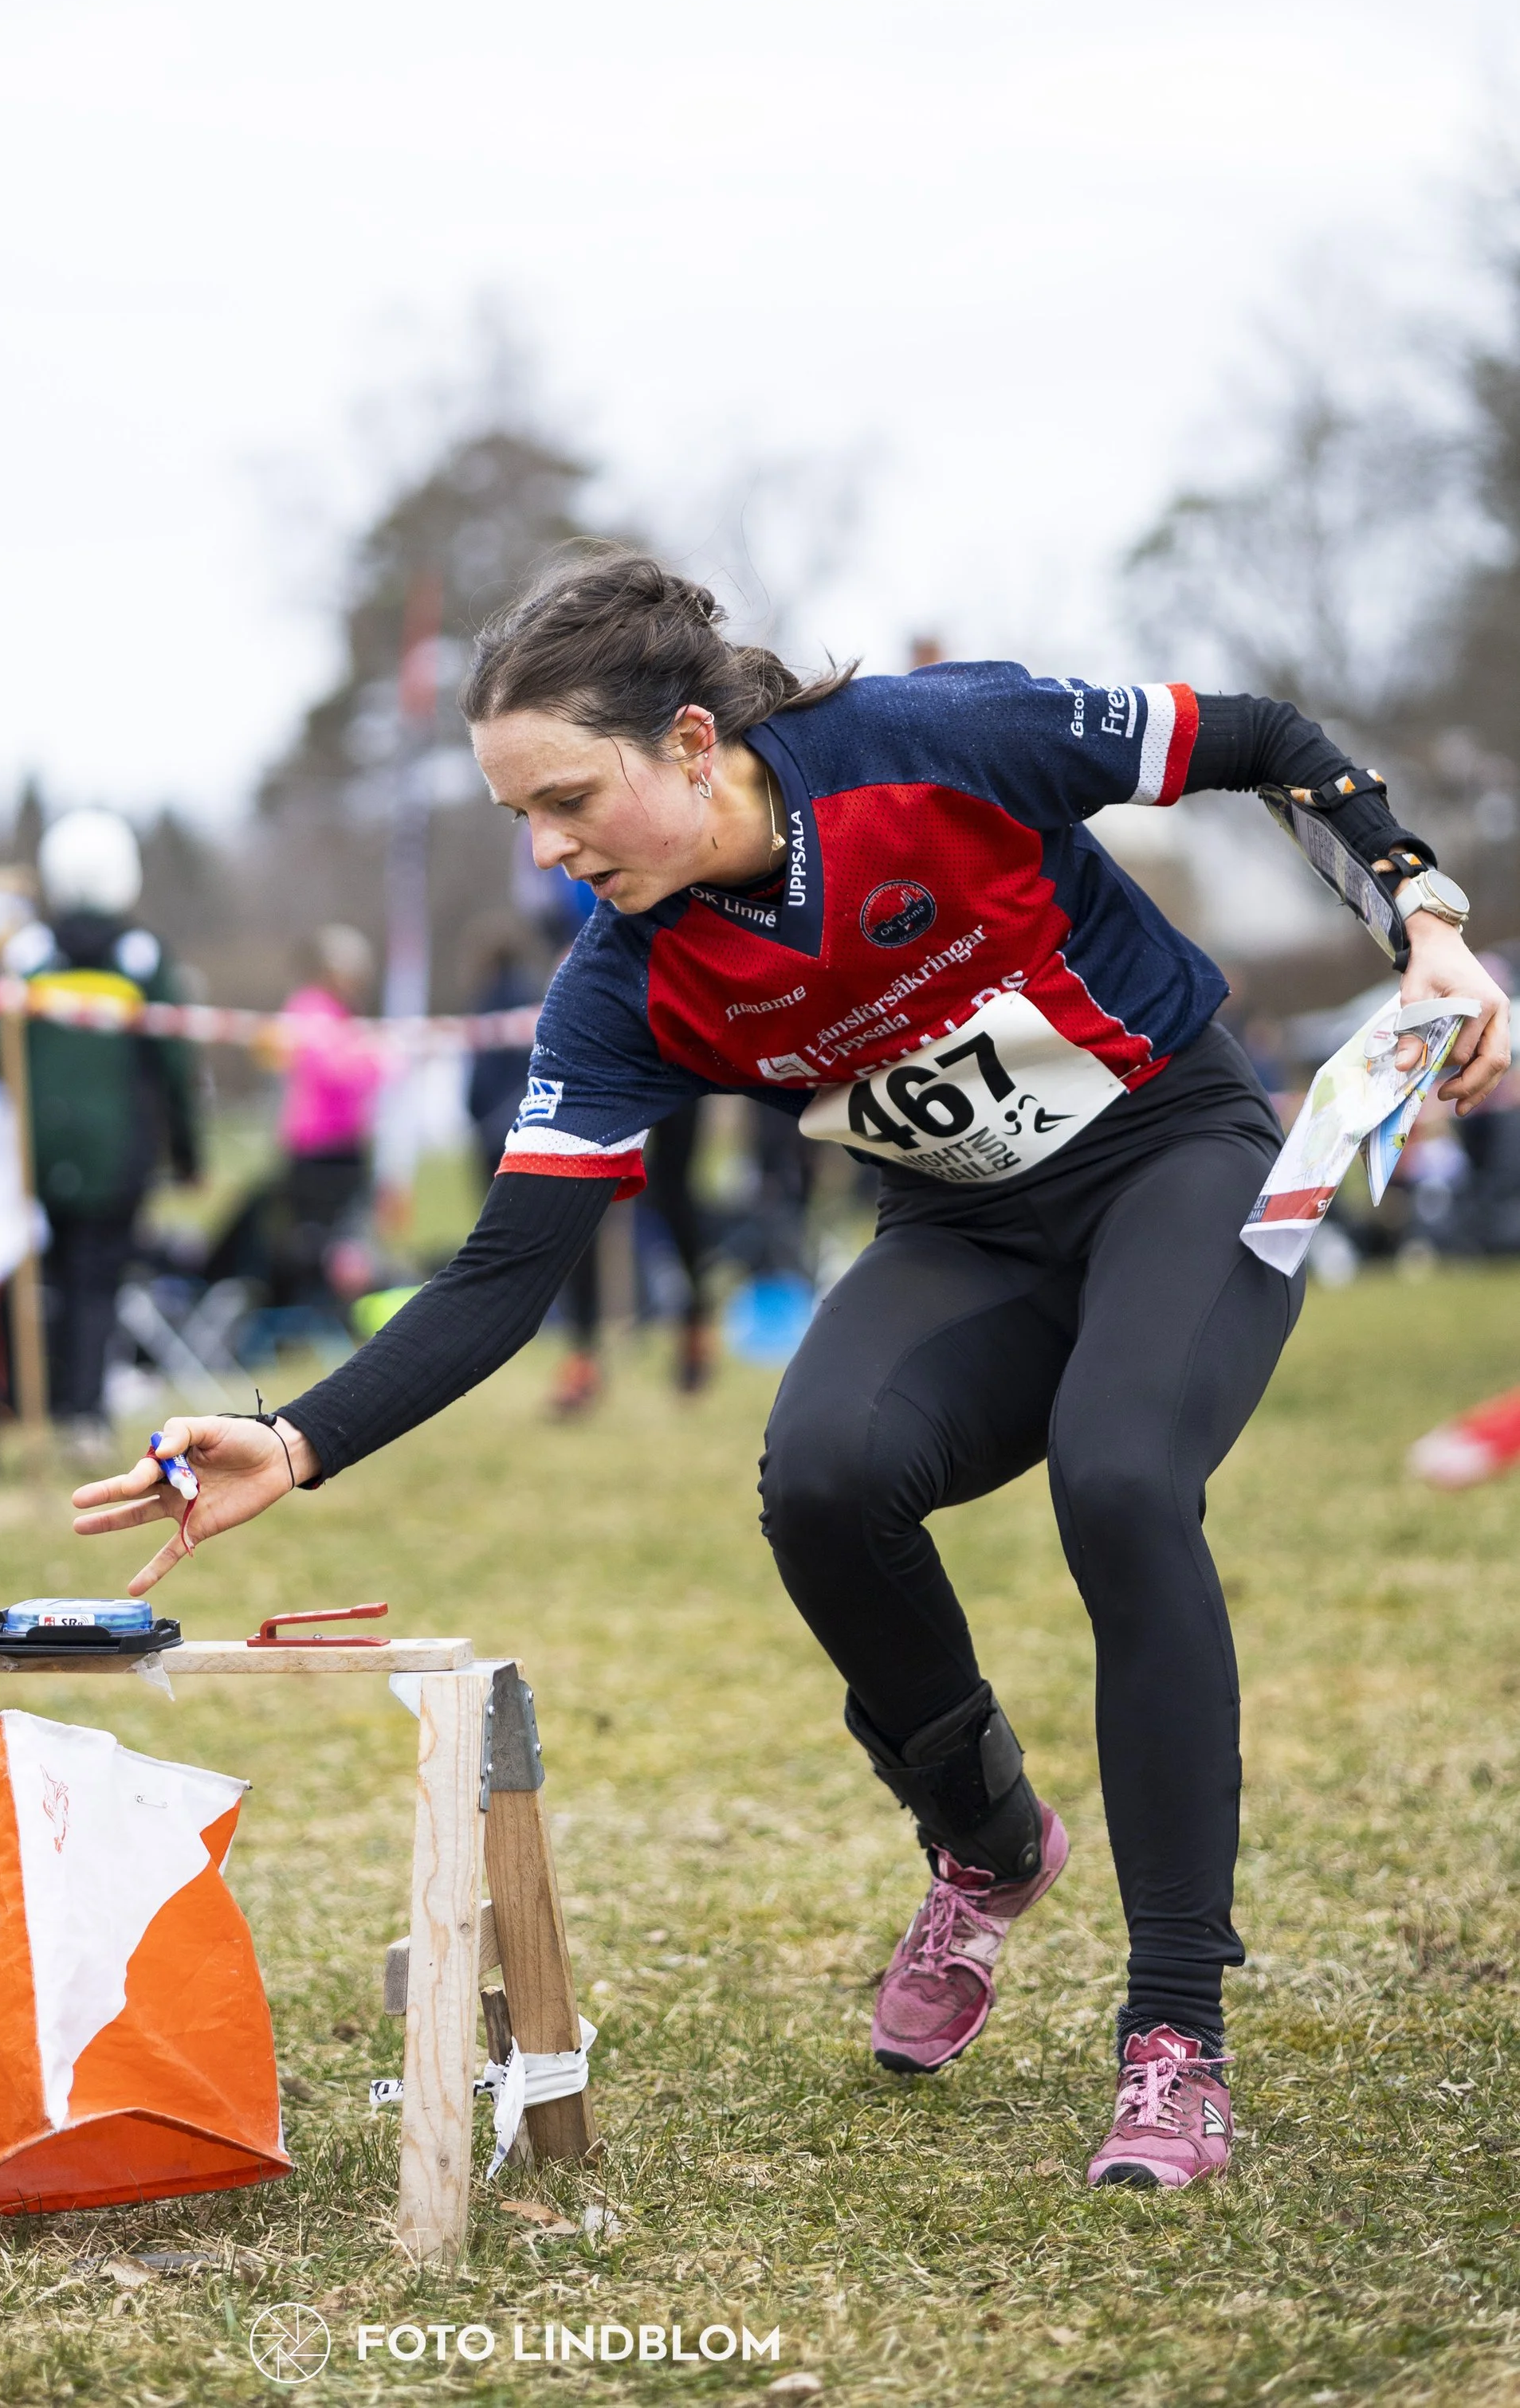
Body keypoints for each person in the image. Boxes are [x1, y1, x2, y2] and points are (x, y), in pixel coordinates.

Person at [74, 551, 1510, 2193]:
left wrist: (1423, 920)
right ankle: (982, 1838)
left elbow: (1262, 736)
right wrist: (294, 1433)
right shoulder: (615, 983)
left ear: (690, 740)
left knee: (1119, 1480)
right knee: (817, 1475)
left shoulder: (940, 738)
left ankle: (1171, 2026)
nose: (544, 849)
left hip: (1175, 1154)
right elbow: (502, 1272)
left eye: (564, 797)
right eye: (514, 818)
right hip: (960, 1229)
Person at [24, 810, 202, 1446]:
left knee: (62, 1275)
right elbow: (175, 1062)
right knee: (99, 1278)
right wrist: (186, 1151)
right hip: (119, 1151)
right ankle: (86, 1412)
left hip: (43, 1155)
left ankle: (64, 1404)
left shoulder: (30, 957)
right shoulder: (142, 958)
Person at [203, 926, 382, 1316]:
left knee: (345, 1241)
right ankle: (307, 1311)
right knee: (309, 1241)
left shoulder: (343, 1014)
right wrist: (368, 1061)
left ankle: (335, 1308)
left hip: (346, 1148)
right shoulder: (308, 1008)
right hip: (315, 1151)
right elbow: (338, 1070)